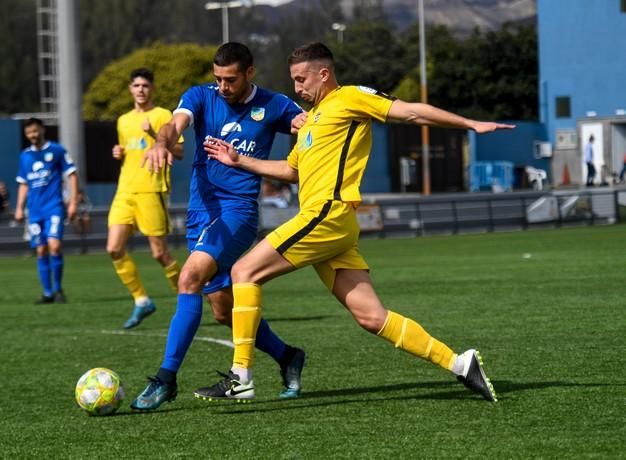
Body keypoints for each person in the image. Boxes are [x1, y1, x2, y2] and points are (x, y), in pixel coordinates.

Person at [197, 42, 516, 403]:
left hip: (326, 214)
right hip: (331, 225)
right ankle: (460, 364)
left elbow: (410, 112)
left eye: (302, 79)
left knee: (243, 272)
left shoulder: (350, 97)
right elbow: (291, 170)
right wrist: (241, 161)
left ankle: (241, 375)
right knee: (372, 317)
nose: (297, 88)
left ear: (324, 73)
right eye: (294, 80)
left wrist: (470, 124)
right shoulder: (310, 120)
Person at [130, 42, 307, 411]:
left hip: (237, 214)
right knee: (223, 311)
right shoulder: (200, 96)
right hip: (201, 214)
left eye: (230, 79)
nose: (223, 86)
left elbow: (308, 130)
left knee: (188, 278)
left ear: (249, 73)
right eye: (218, 79)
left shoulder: (274, 105)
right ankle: (288, 355)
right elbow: (174, 125)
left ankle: (166, 379)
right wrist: (163, 142)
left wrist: (308, 138)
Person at [108, 68, 184, 329]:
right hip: (125, 191)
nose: (140, 90)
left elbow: (180, 151)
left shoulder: (163, 115)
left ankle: (186, 299)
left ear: (152, 89)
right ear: (130, 89)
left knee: (159, 253)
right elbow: (128, 150)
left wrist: (154, 134)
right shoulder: (123, 120)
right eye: (136, 85)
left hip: (151, 189)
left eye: (145, 86)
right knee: (114, 248)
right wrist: (119, 152)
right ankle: (141, 300)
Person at [14, 118, 78, 304]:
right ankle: (47, 293)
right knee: (41, 250)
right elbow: (23, 184)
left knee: (54, 246)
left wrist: (73, 202)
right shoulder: (24, 156)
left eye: (35, 131)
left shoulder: (56, 150)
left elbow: (72, 175)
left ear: (42, 130)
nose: (32, 135)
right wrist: (19, 208)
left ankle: (58, 290)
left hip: (54, 206)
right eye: (28, 133)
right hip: (34, 211)